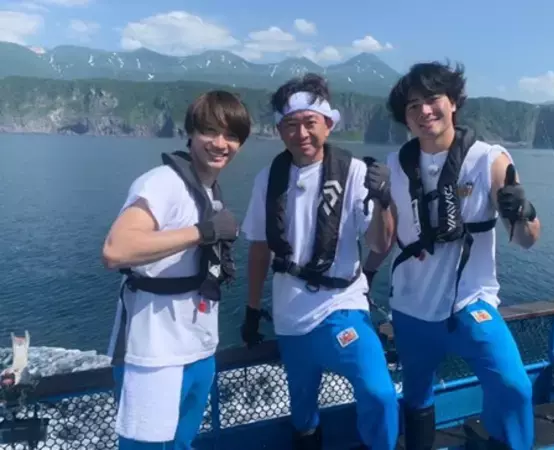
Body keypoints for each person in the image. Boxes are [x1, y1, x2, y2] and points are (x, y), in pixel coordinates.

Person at [367, 60, 541, 450]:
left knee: (514, 386)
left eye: (433, 99)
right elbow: (382, 242)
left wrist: (522, 210)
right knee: (417, 394)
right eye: (413, 106)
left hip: (470, 303)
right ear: (405, 118)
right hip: (411, 307)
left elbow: (526, 240)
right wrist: (378, 208)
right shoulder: (394, 167)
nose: (424, 111)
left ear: (454, 102)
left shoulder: (489, 160)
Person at [239, 73, 399, 450]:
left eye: (310, 122)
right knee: (302, 411)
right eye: (291, 125)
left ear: (328, 124)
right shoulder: (268, 179)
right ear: (279, 130)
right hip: (290, 316)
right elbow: (260, 249)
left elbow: (380, 243)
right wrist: (251, 310)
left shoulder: (354, 172)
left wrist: (384, 201)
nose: (302, 134)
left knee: (378, 393)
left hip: (341, 306)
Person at [101, 90, 251, 450]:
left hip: (198, 348)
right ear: (190, 133)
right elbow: (116, 250)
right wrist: (204, 232)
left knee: (182, 444)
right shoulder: (162, 183)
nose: (220, 144)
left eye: (231, 135)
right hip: (154, 354)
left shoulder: (208, 189)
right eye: (209, 131)